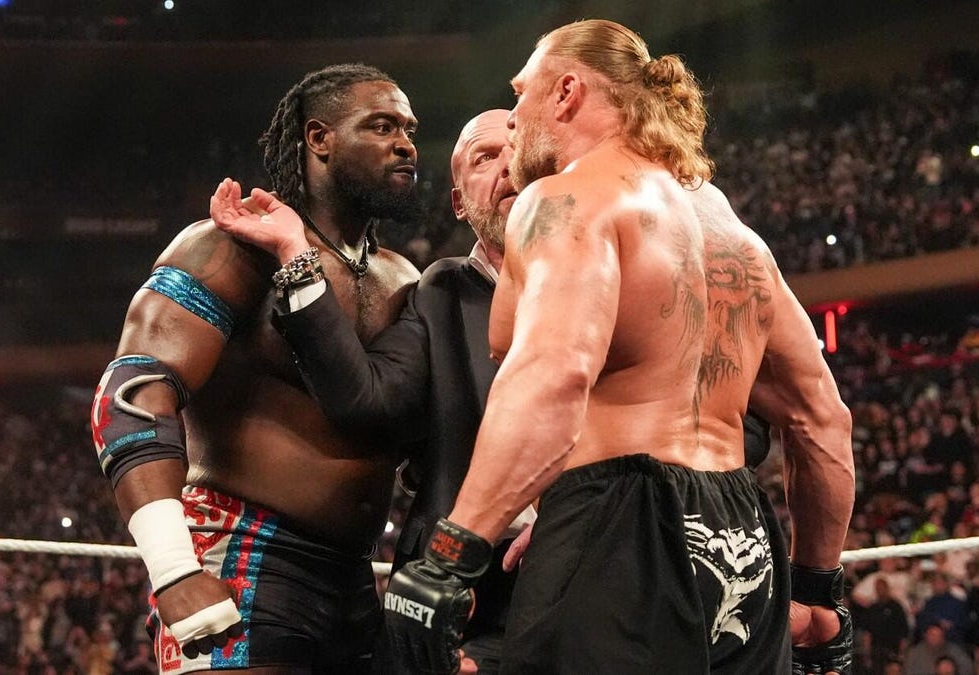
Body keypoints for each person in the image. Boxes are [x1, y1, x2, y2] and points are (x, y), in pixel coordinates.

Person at [210, 108, 777, 674]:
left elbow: (733, 428)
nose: (507, 166)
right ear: (460, 201)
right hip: (468, 604)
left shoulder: (641, 276)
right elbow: (364, 405)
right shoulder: (442, 294)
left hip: (619, 578)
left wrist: (588, 505)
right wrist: (296, 260)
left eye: (520, 149)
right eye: (484, 159)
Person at [379, 19, 855, 675]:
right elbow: (821, 418)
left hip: (618, 528)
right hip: (741, 531)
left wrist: (451, 554)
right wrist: (817, 590)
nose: (514, 117)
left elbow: (553, 378)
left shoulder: (565, 197)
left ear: (566, 91)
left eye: (522, 94)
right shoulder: (728, 228)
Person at [89, 63, 423, 673]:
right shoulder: (229, 247)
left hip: (356, 579)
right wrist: (172, 568)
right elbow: (132, 393)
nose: (405, 143)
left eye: (409, 129)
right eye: (381, 126)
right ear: (319, 139)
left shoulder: (403, 280)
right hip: (241, 551)